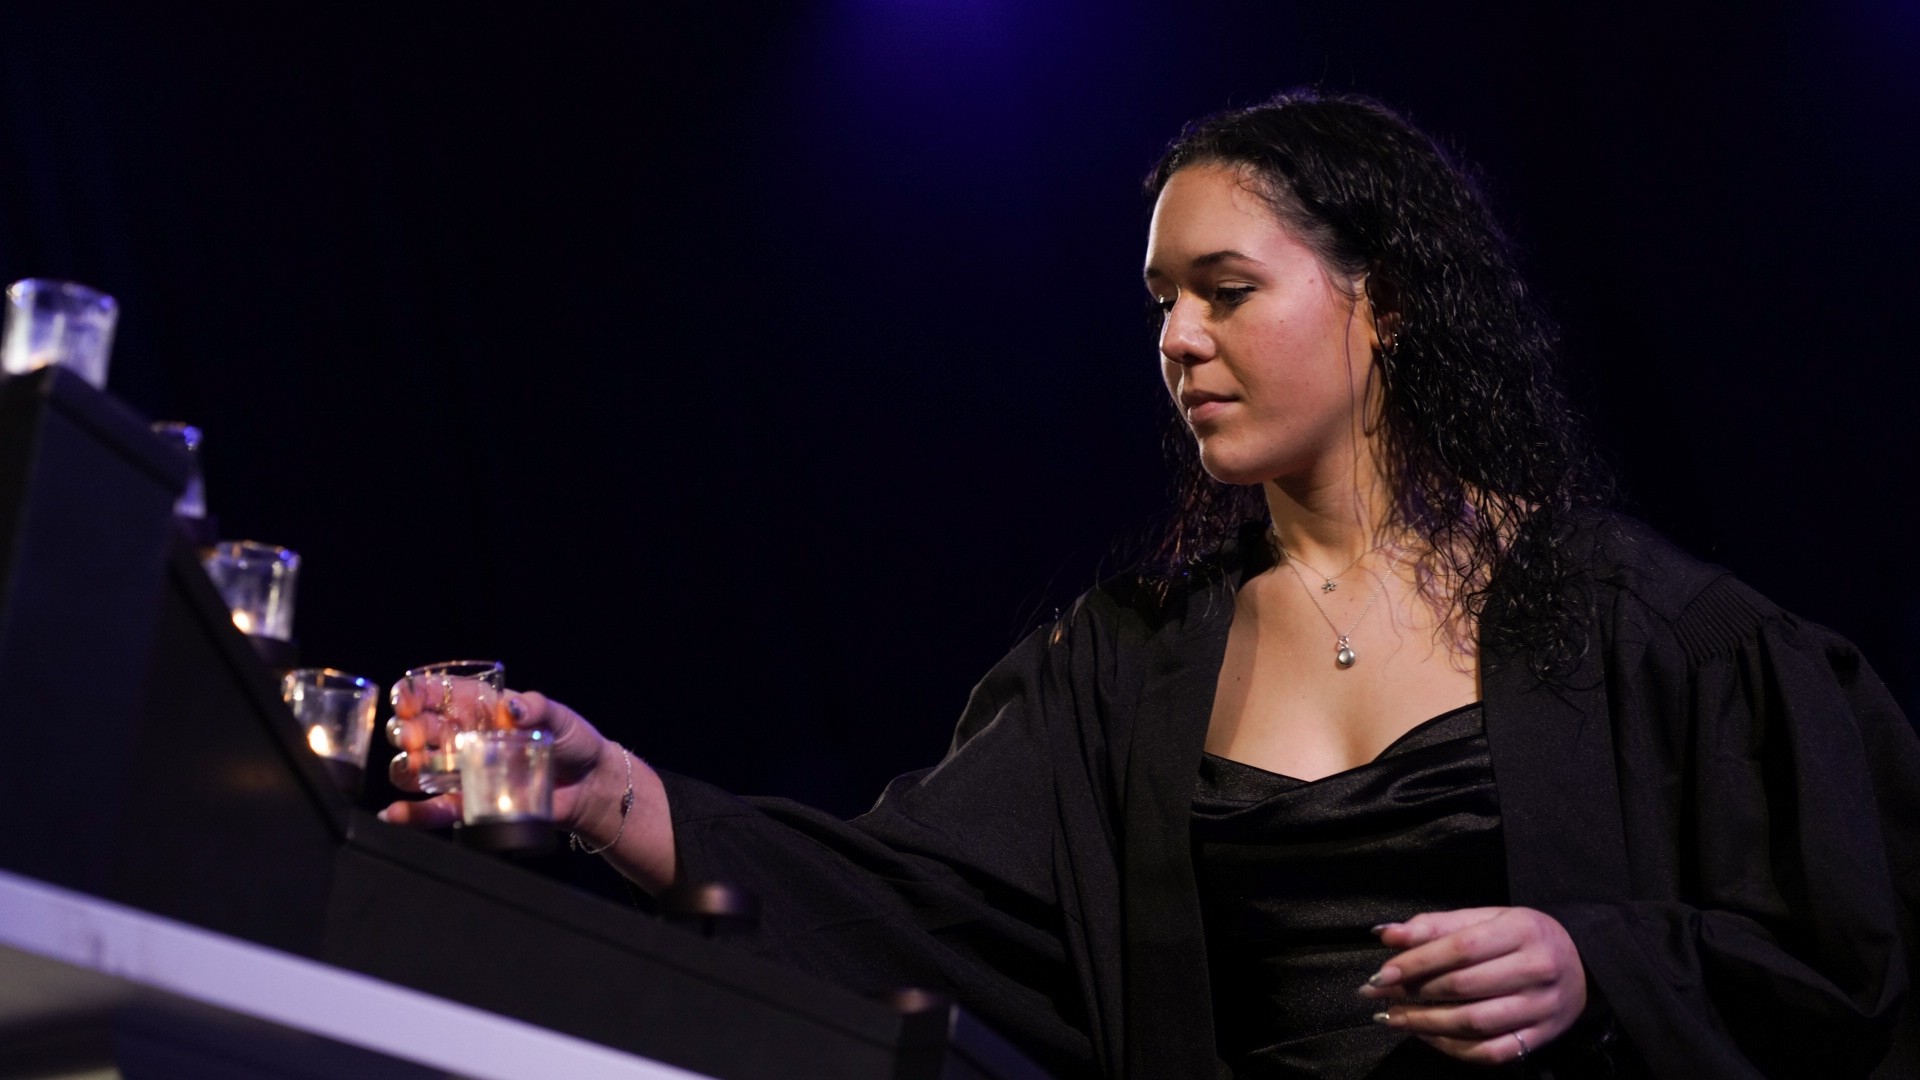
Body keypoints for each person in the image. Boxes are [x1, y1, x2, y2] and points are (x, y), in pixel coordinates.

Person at [380, 92, 1920, 1078]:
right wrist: (604, 791)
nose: (1179, 341)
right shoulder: (1127, 668)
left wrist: (1600, 963)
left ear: (1382, 301)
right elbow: (907, 904)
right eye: (1161, 304)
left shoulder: (1638, 627)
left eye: (1227, 292)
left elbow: (1850, 953)